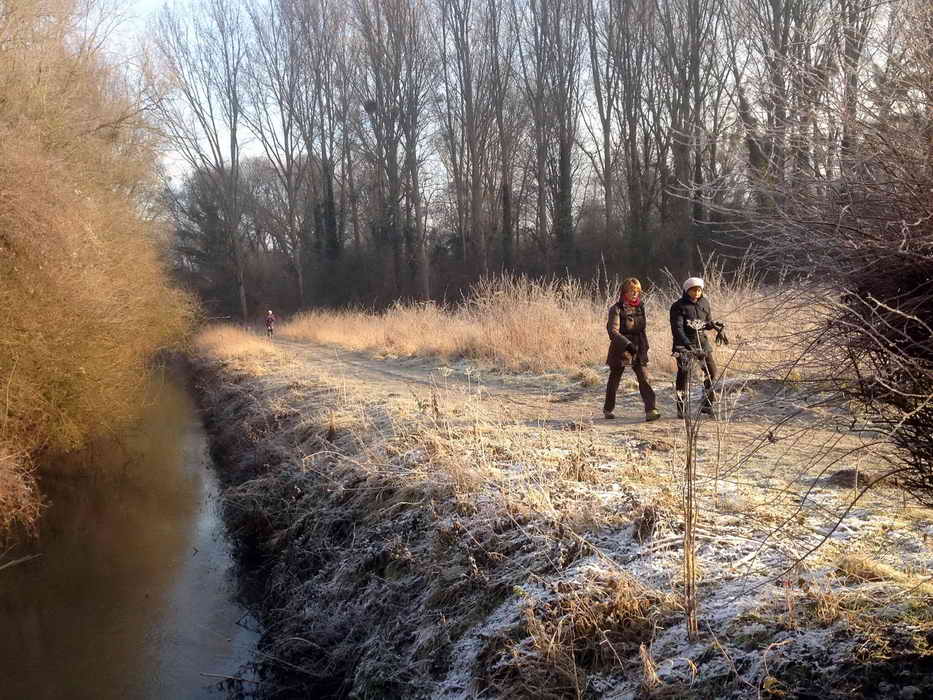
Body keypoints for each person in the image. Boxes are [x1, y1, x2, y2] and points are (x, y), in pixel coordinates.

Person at [604, 277, 661, 422]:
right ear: (624, 292)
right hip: (621, 347)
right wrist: (627, 344)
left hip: (638, 347)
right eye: (631, 291)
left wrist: (644, 347)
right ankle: (608, 409)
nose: (635, 293)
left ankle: (651, 409)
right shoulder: (616, 309)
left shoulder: (640, 307)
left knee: (644, 377)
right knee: (614, 379)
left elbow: (642, 330)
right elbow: (612, 331)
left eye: (637, 291)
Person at [669, 277, 725, 418]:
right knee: (684, 375)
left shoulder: (704, 302)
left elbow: (706, 323)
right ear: (687, 291)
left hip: (702, 342)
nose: (697, 293)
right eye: (693, 290)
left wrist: (715, 326)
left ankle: (707, 405)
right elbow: (677, 328)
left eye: (699, 290)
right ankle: (681, 409)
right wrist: (687, 344)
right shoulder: (678, 306)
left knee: (711, 372)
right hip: (683, 345)